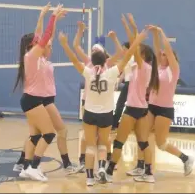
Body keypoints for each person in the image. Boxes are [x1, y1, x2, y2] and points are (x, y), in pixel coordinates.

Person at [59, 26, 147, 186]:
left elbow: (73, 59)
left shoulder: (88, 72)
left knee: (90, 146)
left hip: (90, 113)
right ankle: (101, 167)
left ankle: (90, 178)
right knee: (102, 144)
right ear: (105, 59)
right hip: (106, 115)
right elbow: (127, 56)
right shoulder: (112, 72)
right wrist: (137, 41)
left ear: (92, 61)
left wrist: (64, 44)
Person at [13, 3, 76, 182]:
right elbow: (45, 35)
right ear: (33, 44)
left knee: (35, 136)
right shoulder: (32, 56)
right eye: (38, 41)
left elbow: (45, 35)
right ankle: (33, 166)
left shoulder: (35, 56)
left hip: (34, 99)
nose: (45, 43)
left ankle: (25, 167)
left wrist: (44, 17)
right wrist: (53, 16)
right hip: (33, 100)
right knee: (49, 134)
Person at [126, 25, 194, 179]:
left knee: (161, 143)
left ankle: (186, 158)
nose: (161, 55)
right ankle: (140, 166)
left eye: (164, 55)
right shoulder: (158, 68)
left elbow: (166, 49)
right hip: (152, 107)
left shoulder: (174, 69)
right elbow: (158, 49)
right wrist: (155, 34)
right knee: (142, 135)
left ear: (170, 58)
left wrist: (162, 32)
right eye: (161, 55)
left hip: (165, 109)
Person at [105, 14, 160, 184]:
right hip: (142, 110)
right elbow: (133, 45)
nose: (138, 52)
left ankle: (108, 172)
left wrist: (132, 28)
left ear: (144, 55)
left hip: (133, 109)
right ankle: (149, 173)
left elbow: (133, 45)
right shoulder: (145, 67)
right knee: (143, 143)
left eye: (140, 52)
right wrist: (132, 26)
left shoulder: (143, 66)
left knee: (119, 142)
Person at [73, 21, 123, 172]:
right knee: (86, 136)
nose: (93, 51)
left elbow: (121, 53)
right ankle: (82, 161)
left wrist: (114, 38)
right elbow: (76, 47)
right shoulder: (88, 63)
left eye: (96, 50)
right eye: (92, 49)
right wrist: (80, 30)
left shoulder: (107, 63)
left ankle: (106, 159)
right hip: (87, 101)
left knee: (104, 138)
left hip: (103, 104)